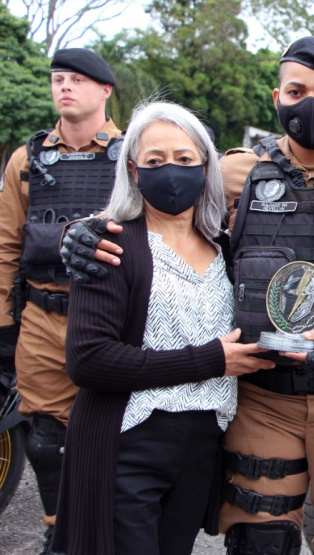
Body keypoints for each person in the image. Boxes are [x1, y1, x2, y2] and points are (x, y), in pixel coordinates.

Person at [61, 36, 314, 555]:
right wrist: (83, 232)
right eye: (296, 89)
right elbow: (156, 205)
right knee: (257, 541)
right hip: (264, 398)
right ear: (276, 97)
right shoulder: (238, 173)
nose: (310, 102)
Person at [51, 100, 275, 555]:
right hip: (128, 444)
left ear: (206, 165)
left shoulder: (225, 248)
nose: (170, 171)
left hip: (200, 446)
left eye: (184, 159)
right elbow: (89, 360)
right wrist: (213, 359)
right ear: (133, 170)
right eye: (155, 161)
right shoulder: (110, 245)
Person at [0, 47, 122, 553]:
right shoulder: (27, 160)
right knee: (47, 440)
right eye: (57, 79)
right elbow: (7, 244)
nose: (64, 87)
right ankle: (58, 531)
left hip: (109, 316)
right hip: (43, 316)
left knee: (115, 436)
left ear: (104, 90)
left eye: (76, 79)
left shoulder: (133, 154)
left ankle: (108, 531)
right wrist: (5, 327)